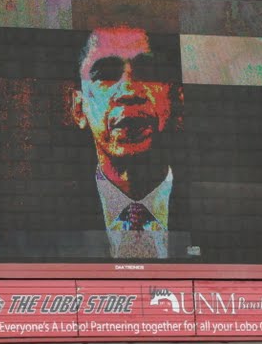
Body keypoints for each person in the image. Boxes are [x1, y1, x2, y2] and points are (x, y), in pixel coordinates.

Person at [71, 25, 192, 260]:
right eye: (105, 74)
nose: (128, 89)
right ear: (79, 108)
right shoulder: (32, 223)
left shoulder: (231, 216)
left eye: (147, 72)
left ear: (177, 101)